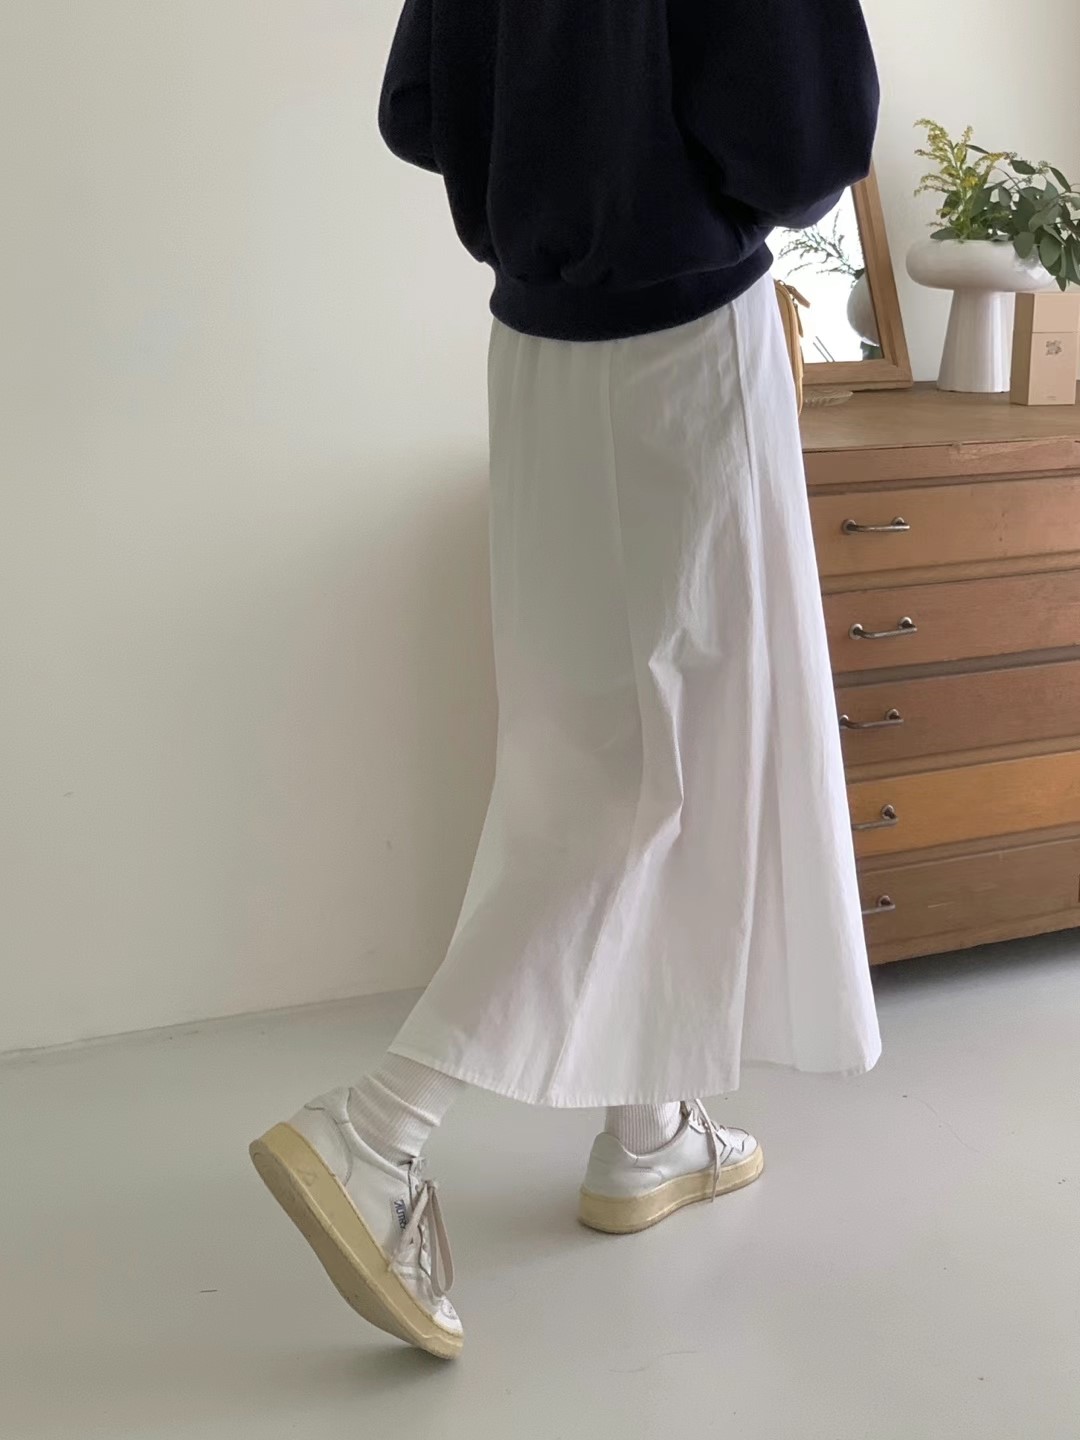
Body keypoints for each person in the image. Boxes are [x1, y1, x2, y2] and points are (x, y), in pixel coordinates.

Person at [249, 0, 883, 1361]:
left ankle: (647, 1127)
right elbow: (805, 139)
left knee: (586, 746)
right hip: (688, 339)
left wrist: (560, 148)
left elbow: (418, 107)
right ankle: (376, 1128)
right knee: (655, 767)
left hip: (536, 343)